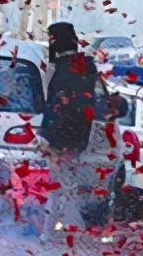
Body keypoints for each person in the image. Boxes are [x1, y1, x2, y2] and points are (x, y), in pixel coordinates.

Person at [40, 22, 105, 231]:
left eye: (51, 39)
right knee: (66, 183)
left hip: (61, 135)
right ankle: (66, 223)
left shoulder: (61, 69)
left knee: (58, 183)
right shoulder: (85, 65)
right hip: (79, 135)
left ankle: (52, 227)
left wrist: (47, 136)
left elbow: (54, 105)